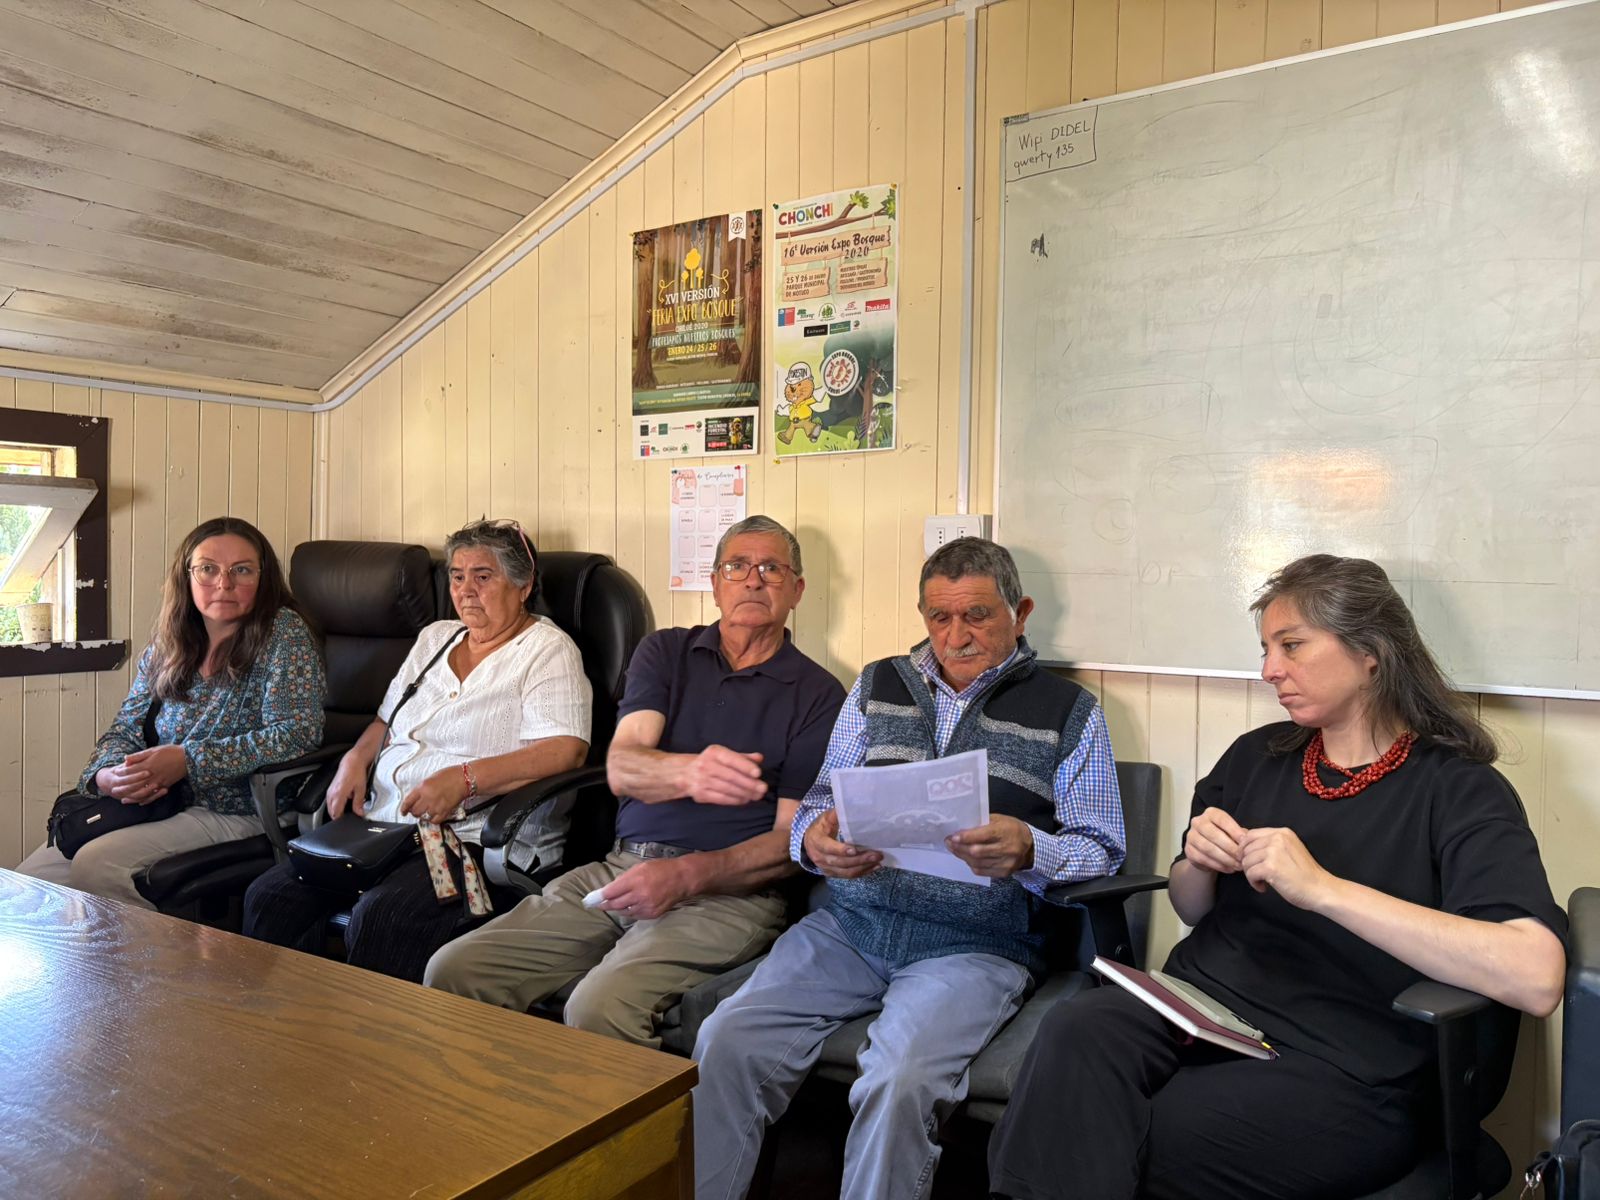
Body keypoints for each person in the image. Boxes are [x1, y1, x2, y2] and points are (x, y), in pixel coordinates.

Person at [987, 554, 1568, 1200]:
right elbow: (1192, 908)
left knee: (1121, 1136)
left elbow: (1536, 976)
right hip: (1203, 1008)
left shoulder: (1458, 790)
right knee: (1071, 1033)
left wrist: (1323, 890)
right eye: (1266, 649)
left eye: (1291, 646)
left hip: (1348, 1061)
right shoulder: (1257, 756)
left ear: (1370, 653)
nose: (1269, 670)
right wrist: (1197, 863)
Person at [693, 536, 1127, 1200]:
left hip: (976, 945)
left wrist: (1031, 849)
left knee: (898, 1081)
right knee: (726, 1037)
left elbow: (1102, 847)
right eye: (938, 616)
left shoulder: (1069, 712)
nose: (955, 636)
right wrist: (816, 842)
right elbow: (819, 802)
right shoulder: (879, 685)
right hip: (851, 926)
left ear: (1020, 613)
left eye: (977, 615)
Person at [425, 515, 845, 1047]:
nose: (753, 581)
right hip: (622, 868)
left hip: (731, 896)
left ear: (797, 590)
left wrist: (686, 876)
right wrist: (689, 773)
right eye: (737, 567)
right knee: (454, 970)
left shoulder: (819, 694)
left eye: (771, 569)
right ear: (715, 583)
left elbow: (791, 845)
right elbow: (623, 767)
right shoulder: (667, 652)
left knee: (598, 1007)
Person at [242, 519, 591, 983]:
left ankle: (368, 1031)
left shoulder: (547, 650)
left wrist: (465, 779)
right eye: (457, 576)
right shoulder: (436, 637)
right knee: (269, 896)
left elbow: (565, 751)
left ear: (523, 586)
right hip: (383, 830)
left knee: (386, 917)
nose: (466, 590)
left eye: (483, 576)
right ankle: (281, 1023)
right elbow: (385, 720)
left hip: (466, 845)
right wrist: (356, 758)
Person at [17, 517, 325, 906]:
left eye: (242, 570)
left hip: (238, 809)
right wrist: (107, 776)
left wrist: (187, 761)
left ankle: (149, 950)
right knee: (26, 883)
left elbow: (297, 734)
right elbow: (125, 728)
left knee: (97, 865)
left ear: (264, 578)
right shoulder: (170, 641)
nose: (224, 583)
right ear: (187, 575)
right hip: (158, 803)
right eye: (208, 569)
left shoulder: (283, 632)